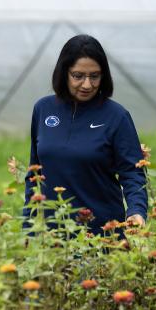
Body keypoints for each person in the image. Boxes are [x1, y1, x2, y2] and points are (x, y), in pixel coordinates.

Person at [23, 34, 147, 235]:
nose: (87, 85)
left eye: (94, 76)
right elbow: (34, 175)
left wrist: (136, 211)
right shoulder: (43, 110)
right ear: (64, 73)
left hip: (102, 236)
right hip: (52, 240)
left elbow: (133, 172)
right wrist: (28, 228)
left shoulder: (116, 116)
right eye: (78, 76)